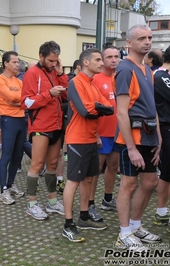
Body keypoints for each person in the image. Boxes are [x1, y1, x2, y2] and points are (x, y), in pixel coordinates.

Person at [114, 24, 162, 251]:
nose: (147, 42)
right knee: (129, 184)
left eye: (150, 37)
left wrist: (160, 138)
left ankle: (135, 225)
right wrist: (131, 148)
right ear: (129, 44)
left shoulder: (148, 70)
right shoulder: (125, 69)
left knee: (151, 182)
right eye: (142, 38)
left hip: (150, 136)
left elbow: (152, 108)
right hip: (131, 139)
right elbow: (121, 111)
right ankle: (124, 233)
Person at [62, 49, 113, 242]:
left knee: (90, 180)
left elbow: (109, 107)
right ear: (85, 62)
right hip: (77, 139)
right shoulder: (75, 82)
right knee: (73, 182)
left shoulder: (92, 84)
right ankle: (68, 224)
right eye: (98, 60)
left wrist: (97, 109)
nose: (102, 63)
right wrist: (98, 108)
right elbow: (84, 111)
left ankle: (84, 217)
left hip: (92, 138)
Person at [21, 41, 68, 218]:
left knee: (53, 165)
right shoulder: (32, 73)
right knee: (37, 164)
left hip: (57, 125)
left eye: (56, 60)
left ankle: (52, 201)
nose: (53, 64)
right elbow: (25, 102)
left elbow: (65, 94)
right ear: (41, 56)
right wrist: (48, 95)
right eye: (50, 60)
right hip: (41, 126)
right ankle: (32, 204)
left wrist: (61, 74)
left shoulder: (56, 72)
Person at [88, 46, 120, 222]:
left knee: (113, 166)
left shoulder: (120, 77)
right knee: (95, 170)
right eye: (109, 57)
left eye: (116, 56)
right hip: (101, 132)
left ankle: (107, 199)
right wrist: (96, 134)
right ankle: (90, 203)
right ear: (102, 59)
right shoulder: (96, 79)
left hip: (117, 132)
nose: (113, 60)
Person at [153, 41, 170, 237]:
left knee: (167, 173)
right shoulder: (161, 77)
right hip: (168, 130)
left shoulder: (169, 76)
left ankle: (161, 212)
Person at [0, 51, 26, 205]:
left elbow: (25, 98)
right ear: (6, 63)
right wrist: (17, 101)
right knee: (6, 155)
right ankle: (3, 190)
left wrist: (17, 102)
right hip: (8, 120)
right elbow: (12, 97)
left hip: (21, 119)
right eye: (14, 62)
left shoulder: (19, 81)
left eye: (18, 62)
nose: (17, 64)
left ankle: (11, 184)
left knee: (18, 155)